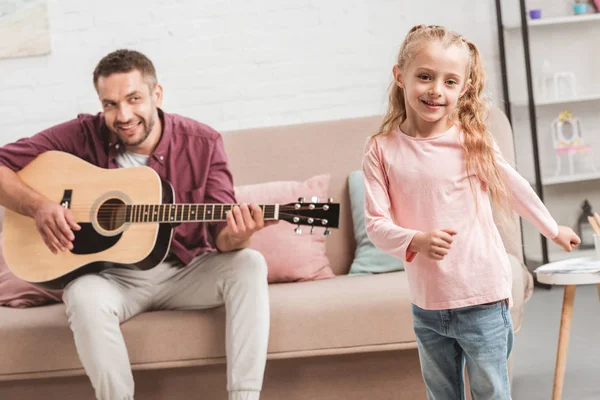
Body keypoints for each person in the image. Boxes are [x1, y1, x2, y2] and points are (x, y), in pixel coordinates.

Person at [0, 49, 272, 400]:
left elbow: (223, 235)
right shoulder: (82, 135)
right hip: (116, 280)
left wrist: (238, 234)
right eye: (110, 104)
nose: (123, 115)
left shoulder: (203, 143)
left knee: (250, 262)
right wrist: (39, 206)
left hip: (186, 272)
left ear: (156, 95)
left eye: (133, 99)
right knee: (81, 295)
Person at [363, 25, 580, 400]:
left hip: (482, 298)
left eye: (450, 82)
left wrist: (551, 228)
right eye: (425, 77)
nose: (436, 90)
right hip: (427, 304)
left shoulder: (470, 141)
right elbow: (376, 224)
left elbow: (515, 188)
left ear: (463, 88)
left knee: (491, 393)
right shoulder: (381, 150)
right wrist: (415, 239)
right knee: (441, 395)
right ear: (400, 76)